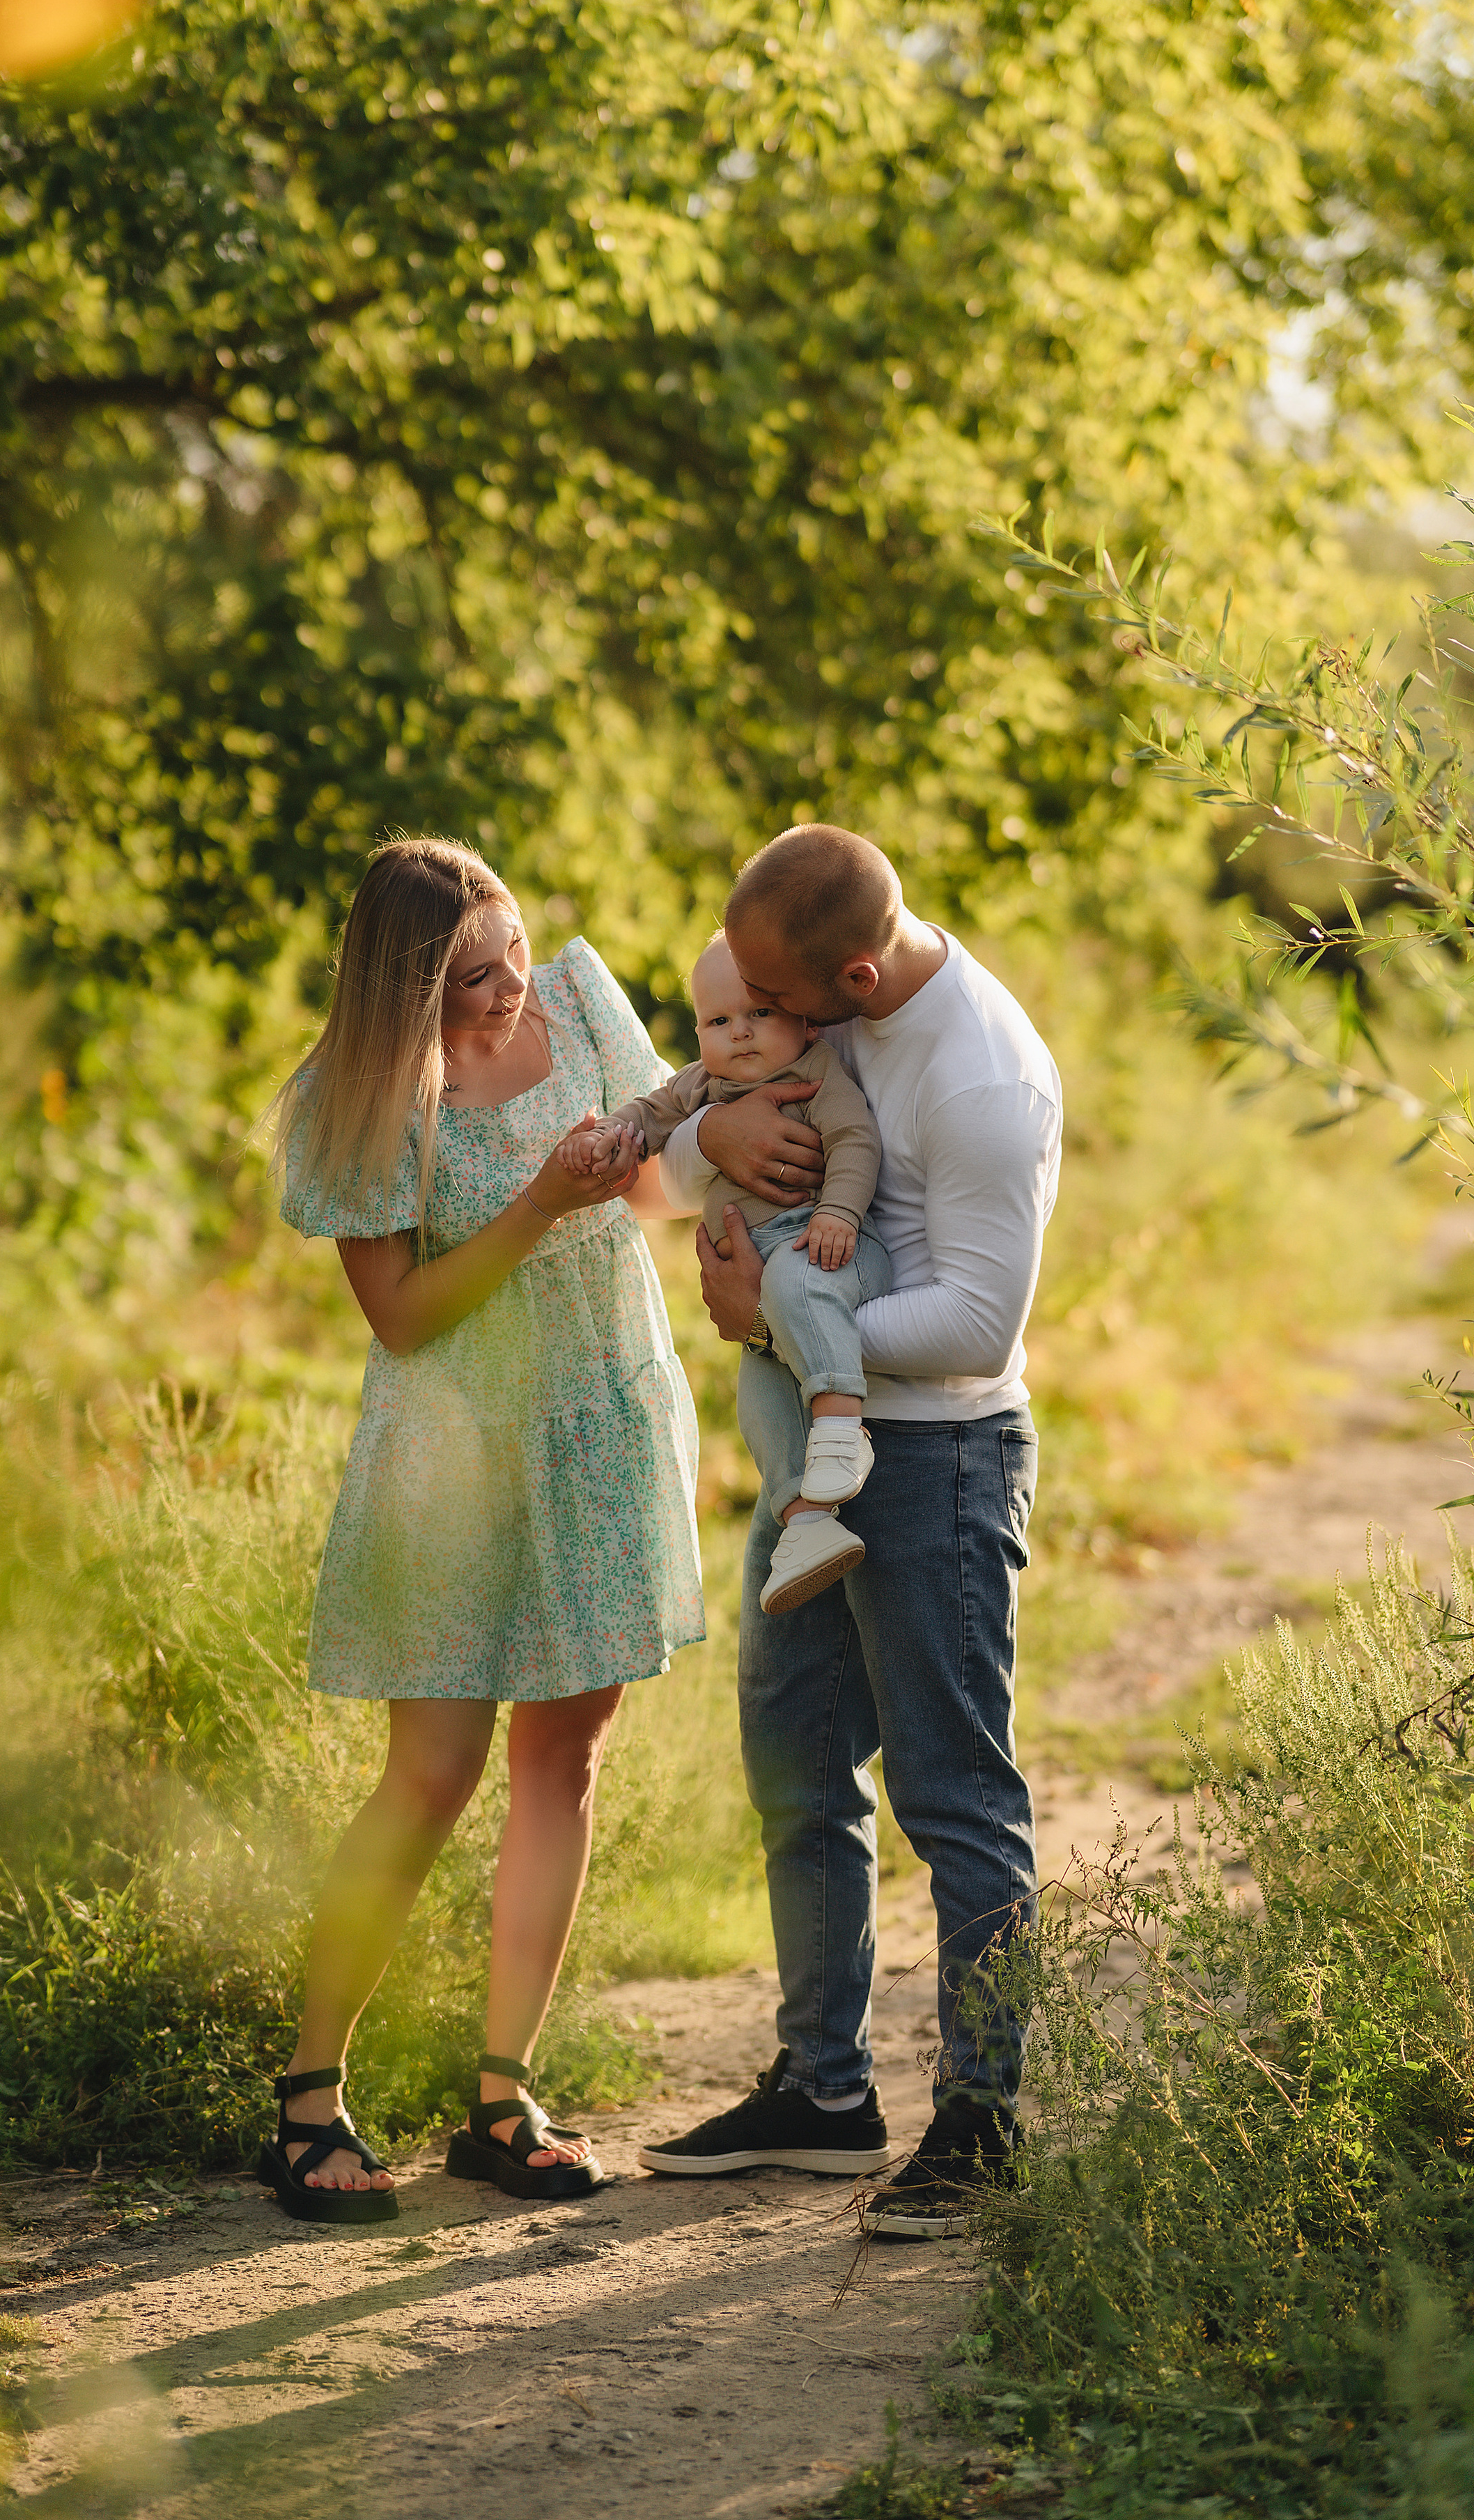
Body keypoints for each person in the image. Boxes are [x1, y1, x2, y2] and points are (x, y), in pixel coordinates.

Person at [263, 838, 703, 2223]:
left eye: (510, 949)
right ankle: (307, 2098)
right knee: (429, 1773)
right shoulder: (360, 1095)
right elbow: (400, 1317)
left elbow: (665, 1193)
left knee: (561, 1756)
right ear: (404, 993)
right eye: (468, 976)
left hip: (599, 1423)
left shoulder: (574, 1000)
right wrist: (538, 1201)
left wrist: (660, 1144)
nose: (505, 986)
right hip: (453, 1456)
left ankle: (502, 2096)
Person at [637, 826, 1061, 2240]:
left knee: (954, 1794)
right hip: (807, 1458)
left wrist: (771, 1316)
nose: (763, 1023)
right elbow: (701, 1120)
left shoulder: (979, 1076)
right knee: (796, 1759)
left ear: (857, 976)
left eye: (780, 1002)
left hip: (934, 1464)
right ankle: (822, 2089)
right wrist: (708, 1128)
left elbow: (972, 1325)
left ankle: (981, 2119)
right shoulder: (839, 984)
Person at [559, 929, 892, 1617]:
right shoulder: (705, 1084)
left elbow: (854, 1140)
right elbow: (649, 1116)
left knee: (798, 1289)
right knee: (760, 1404)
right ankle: (806, 1526)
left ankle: (840, 1427)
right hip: (761, 1278)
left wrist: (838, 1215)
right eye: (718, 1021)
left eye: (757, 1014)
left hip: (822, 1249)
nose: (738, 1033)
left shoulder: (816, 1073)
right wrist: (608, 1138)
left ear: (800, 1016)